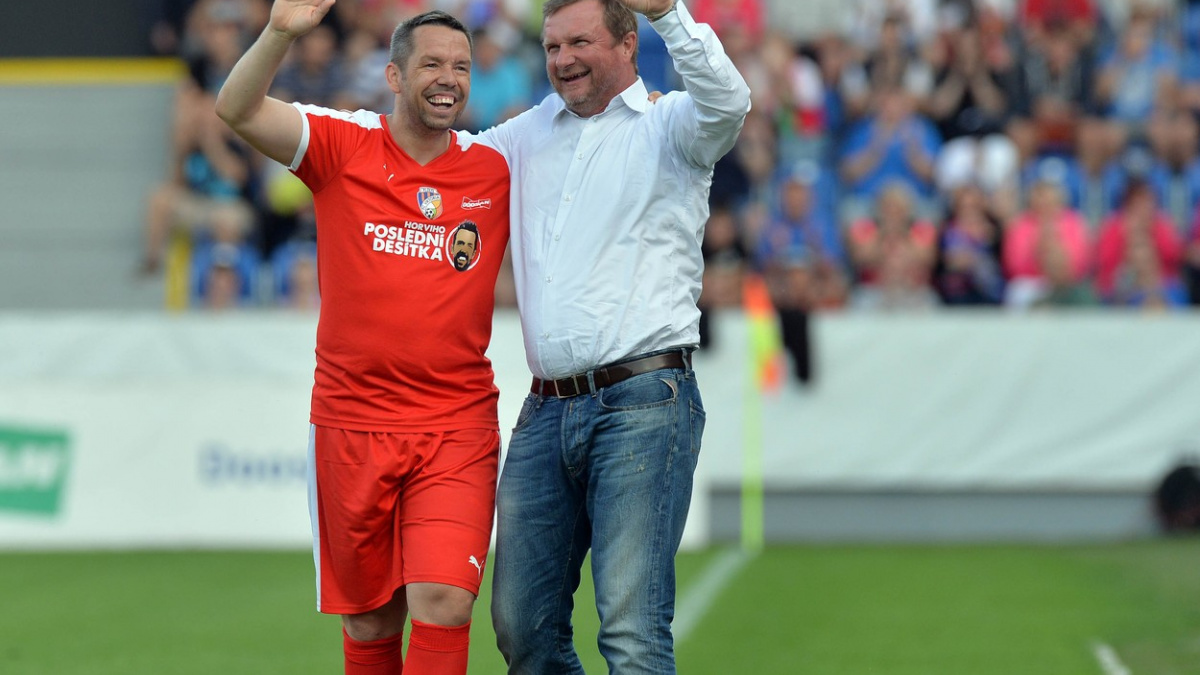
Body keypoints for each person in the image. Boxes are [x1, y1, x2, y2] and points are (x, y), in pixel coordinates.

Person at [214, 2, 512, 673]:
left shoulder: (495, 167)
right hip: (352, 424)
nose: (449, 78)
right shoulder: (341, 143)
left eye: (461, 66)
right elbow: (235, 109)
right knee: (371, 617)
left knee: (443, 598)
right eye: (432, 63)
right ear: (394, 76)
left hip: (455, 426)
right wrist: (280, 32)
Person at [466, 0, 751, 671]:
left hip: (644, 400)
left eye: (580, 42)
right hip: (543, 409)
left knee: (630, 628)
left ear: (628, 42)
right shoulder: (526, 133)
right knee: (520, 627)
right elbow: (442, 166)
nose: (562, 60)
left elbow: (730, 103)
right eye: (551, 45)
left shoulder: (670, 123)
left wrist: (670, 14)